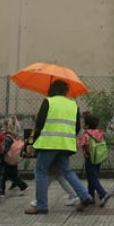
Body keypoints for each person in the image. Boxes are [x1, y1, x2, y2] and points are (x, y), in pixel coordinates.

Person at [24, 80, 94, 214]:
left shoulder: (48, 102)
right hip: (65, 145)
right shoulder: (73, 105)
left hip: (48, 144)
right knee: (67, 171)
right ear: (65, 91)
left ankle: (41, 205)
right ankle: (85, 196)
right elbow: (77, 127)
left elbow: (39, 124)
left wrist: (31, 143)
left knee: (40, 172)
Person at [77, 112, 112, 207]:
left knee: (92, 178)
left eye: (83, 122)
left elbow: (79, 144)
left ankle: (103, 193)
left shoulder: (86, 135)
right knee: (93, 176)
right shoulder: (99, 132)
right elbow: (105, 136)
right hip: (98, 158)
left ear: (87, 124)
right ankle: (91, 196)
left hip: (90, 158)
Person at [0, 116, 28, 198]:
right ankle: (22, 186)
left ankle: (1, 191)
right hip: (13, 159)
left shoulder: (7, 137)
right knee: (12, 175)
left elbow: (5, 150)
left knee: (2, 175)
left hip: (7, 160)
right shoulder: (14, 135)